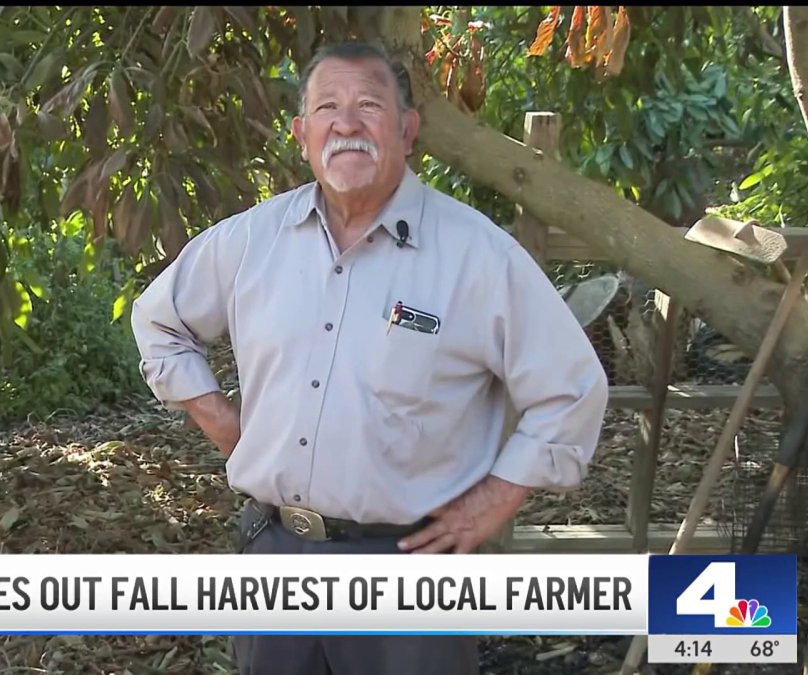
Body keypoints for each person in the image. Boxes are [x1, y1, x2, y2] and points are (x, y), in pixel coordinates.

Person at [129, 40, 608, 675]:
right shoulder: (253, 240)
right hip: (274, 556)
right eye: (327, 106)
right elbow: (157, 321)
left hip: (407, 571)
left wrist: (497, 496)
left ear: (408, 130)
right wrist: (226, 426)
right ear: (302, 135)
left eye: (369, 106)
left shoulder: (477, 256)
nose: (347, 123)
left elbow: (571, 388)